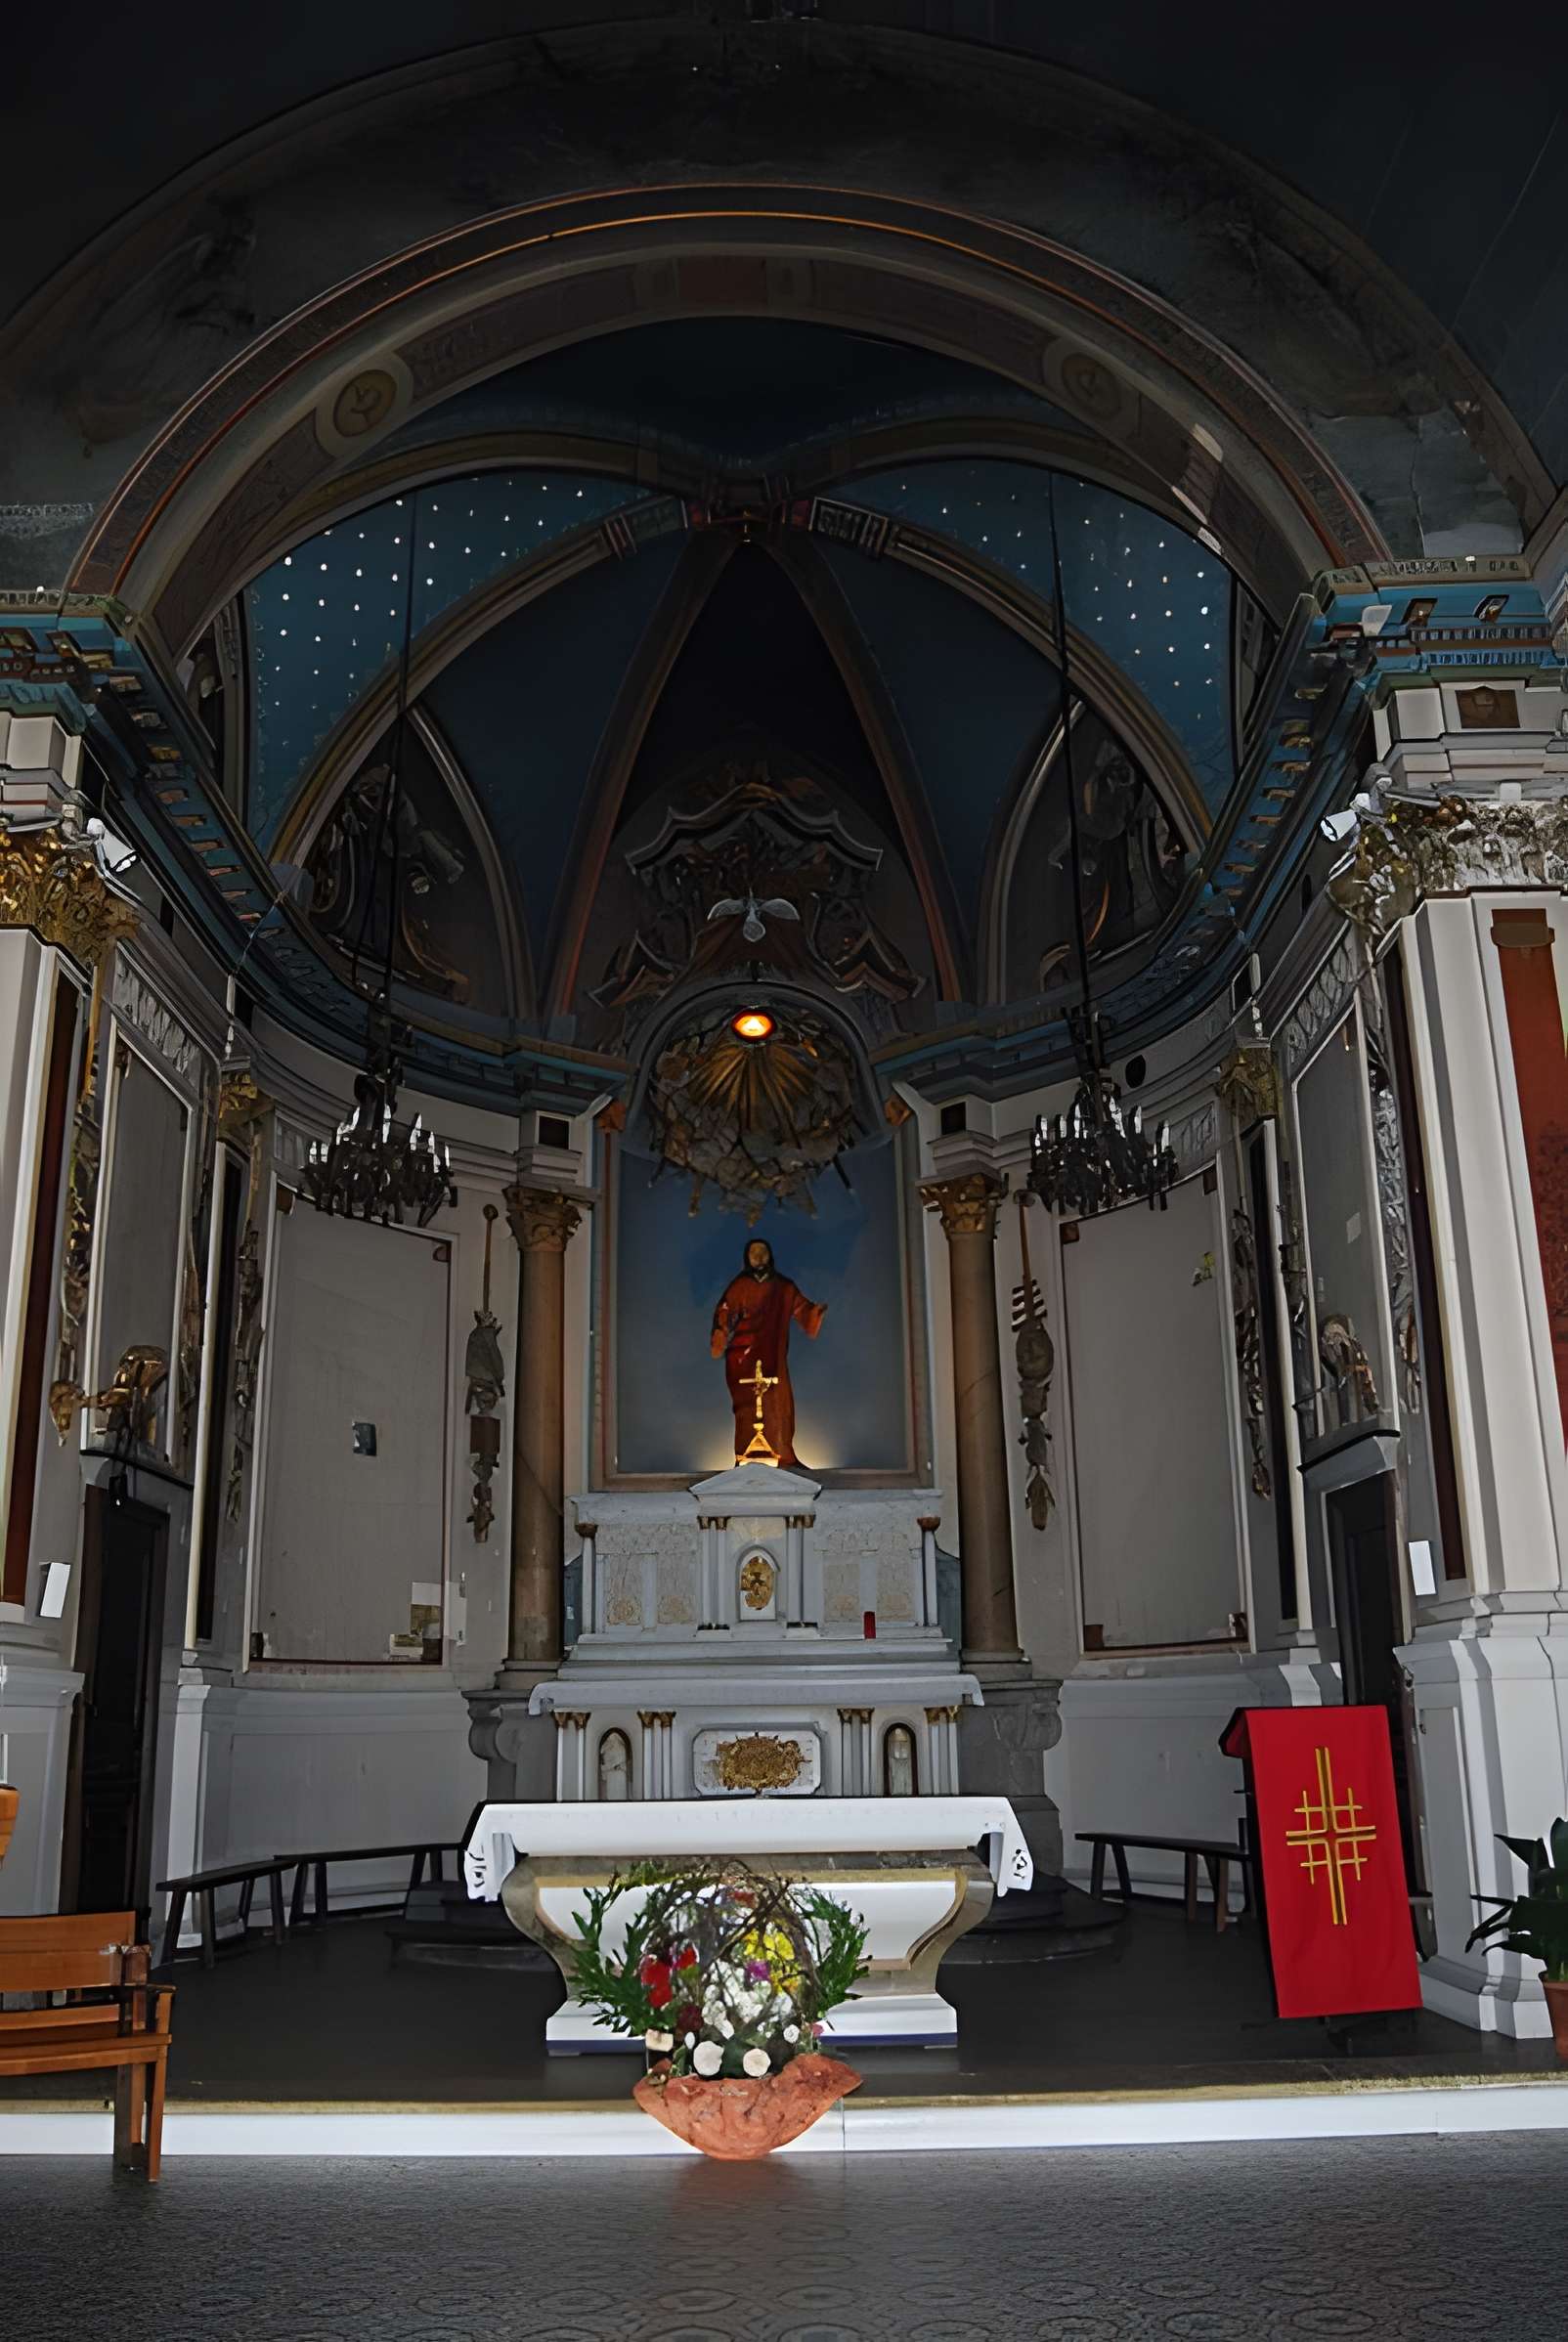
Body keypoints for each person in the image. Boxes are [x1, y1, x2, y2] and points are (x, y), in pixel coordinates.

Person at [710, 1236, 825, 1468]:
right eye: (754, 1252)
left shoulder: (784, 1287)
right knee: (747, 1406)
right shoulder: (739, 1286)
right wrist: (720, 1337)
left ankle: (782, 1455)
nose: (759, 1256)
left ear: (770, 1255)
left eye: (763, 1251)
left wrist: (814, 1313)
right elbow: (725, 1312)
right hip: (744, 1356)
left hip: (772, 1355)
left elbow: (802, 1308)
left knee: (779, 1402)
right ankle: (745, 1456)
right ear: (747, 1257)